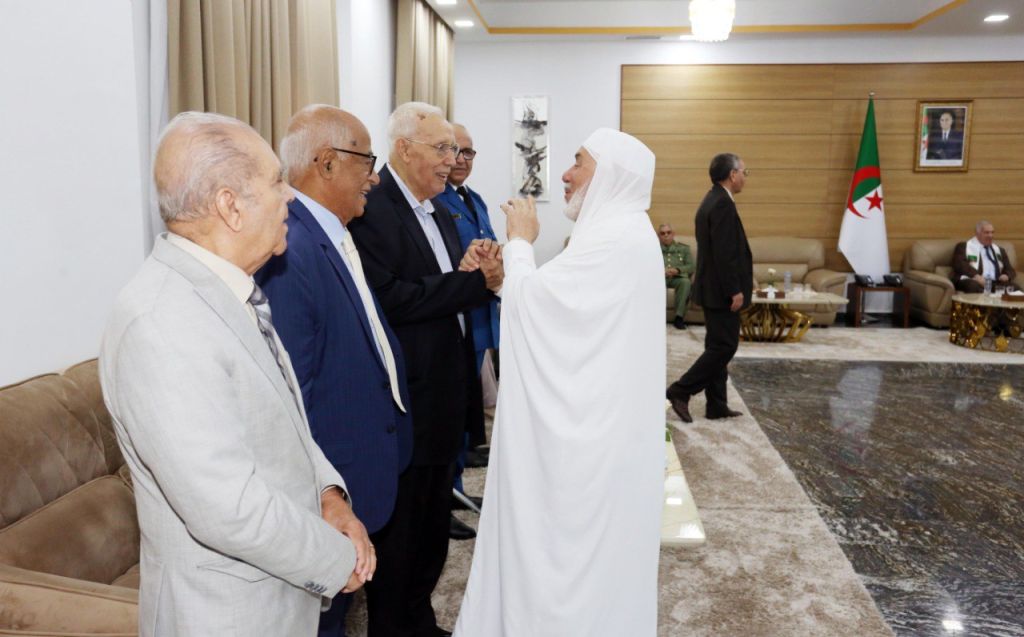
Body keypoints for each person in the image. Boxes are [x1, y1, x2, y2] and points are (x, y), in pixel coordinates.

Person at [98, 112, 372, 636]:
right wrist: (336, 560)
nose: (290, 196)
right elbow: (226, 507)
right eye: (276, 182)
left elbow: (282, 424)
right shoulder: (161, 321)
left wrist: (327, 496)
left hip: (276, 598)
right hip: (228, 615)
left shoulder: (228, 290)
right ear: (230, 205)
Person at [452, 128, 665, 636]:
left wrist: (520, 242)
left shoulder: (616, 238)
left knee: (568, 558)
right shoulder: (617, 231)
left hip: (590, 439)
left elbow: (542, 311)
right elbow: (555, 302)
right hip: (600, 424)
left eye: (578, 162)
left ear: (609, 175)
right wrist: (504, 276)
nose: (566, 175)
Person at [254, 105, 412, 637]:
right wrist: (324, 496)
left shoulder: (332, 233)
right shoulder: (290, 249)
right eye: (366, 161)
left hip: (355, 471)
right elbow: (291, 397)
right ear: (326, 162)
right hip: (328, 488)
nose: (375, 176)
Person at [348, 102, 503, 637]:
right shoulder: (372, 209)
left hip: (444, 392)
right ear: (403, 148)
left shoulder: (439, 209)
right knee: (402, 536)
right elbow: (391, 299)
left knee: (433, 529)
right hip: (406, 401)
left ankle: (420, 622)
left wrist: (469, 268)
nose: (452, 160)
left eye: (454, 149)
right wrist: (473, 284)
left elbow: (438, 285)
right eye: (441, 148)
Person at [434, 123, 496, 532]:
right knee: (449, 413)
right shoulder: (434, 201)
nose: (461, 159)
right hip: (453, 320)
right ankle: (447, 498)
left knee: (464, 411)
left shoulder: (473, 199)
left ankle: (456, 487)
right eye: (454, 150)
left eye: (469, 152)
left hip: (479, 320)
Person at [666, 153, 753, 424]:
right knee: (724, 347)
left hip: (713, 287)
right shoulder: (722, 204)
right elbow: (724, 254)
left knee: (717, 345)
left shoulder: (711, 199)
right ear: (732, 175)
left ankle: (717, 404)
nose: (745, 177)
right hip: (722, 290)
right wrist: (734, 289)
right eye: (744, 172)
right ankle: (681, 390)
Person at [952, 220, 1018, 292]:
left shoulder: (1000, 250)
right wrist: (976, 276)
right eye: (987, 233)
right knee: (973, 286)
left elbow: (1010, 269)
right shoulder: (964, 246)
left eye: (992, 232)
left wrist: (1006, 275)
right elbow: (960, 265)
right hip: (972, 280)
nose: (990, 235)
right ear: (977, 233)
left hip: (994, 282)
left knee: (1015, 288)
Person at [659, 222, 695, 330]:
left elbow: (691, 266)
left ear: (673, 234)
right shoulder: (655, 249)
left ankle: (679, 318)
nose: (666, 235)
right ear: (659, 236)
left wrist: (678, 270)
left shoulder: (683, 249)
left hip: (677, 278)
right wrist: (661, 271)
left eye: (668, 232)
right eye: (663, 233)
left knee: (685, 282)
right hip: (660, 279)